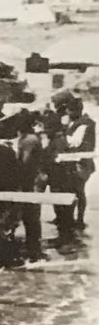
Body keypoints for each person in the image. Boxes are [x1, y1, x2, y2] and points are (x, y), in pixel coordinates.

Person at [15, 116, 48, 260]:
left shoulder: (29, 140)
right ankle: (33, 247)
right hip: (32, 179)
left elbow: (25, 162)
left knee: (32, 216)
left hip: (33, 180)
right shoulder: (28, 138)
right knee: (31, 216)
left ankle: (34, 250)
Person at [64, 97, 95, 228]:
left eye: (69, 110)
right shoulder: (81, 122)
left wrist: (61, 137)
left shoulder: (83, 124)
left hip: (80, 162)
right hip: (81, 161)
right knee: (76, 190)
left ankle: (79, 219)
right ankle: (74, 218)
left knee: (77, 190)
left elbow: (75, 142)